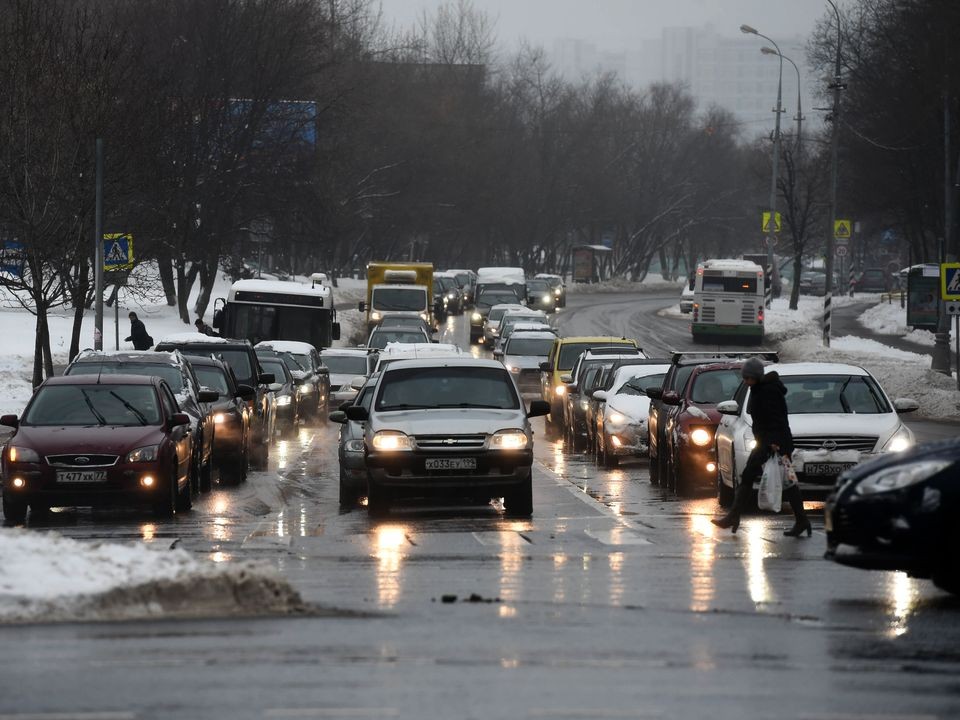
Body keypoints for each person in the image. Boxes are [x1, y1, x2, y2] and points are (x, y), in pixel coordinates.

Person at [711, 357, 811, 538]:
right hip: (769, 441)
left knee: (783, 480)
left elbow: (776, 418)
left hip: (774, 442)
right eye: (745, 377)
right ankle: (735, 516)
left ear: (755, 377)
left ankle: (735, 516)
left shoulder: (768, 391)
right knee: (773, 479)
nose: (745, 381)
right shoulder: (759, 389)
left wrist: (774, 443)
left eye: (748, 377)